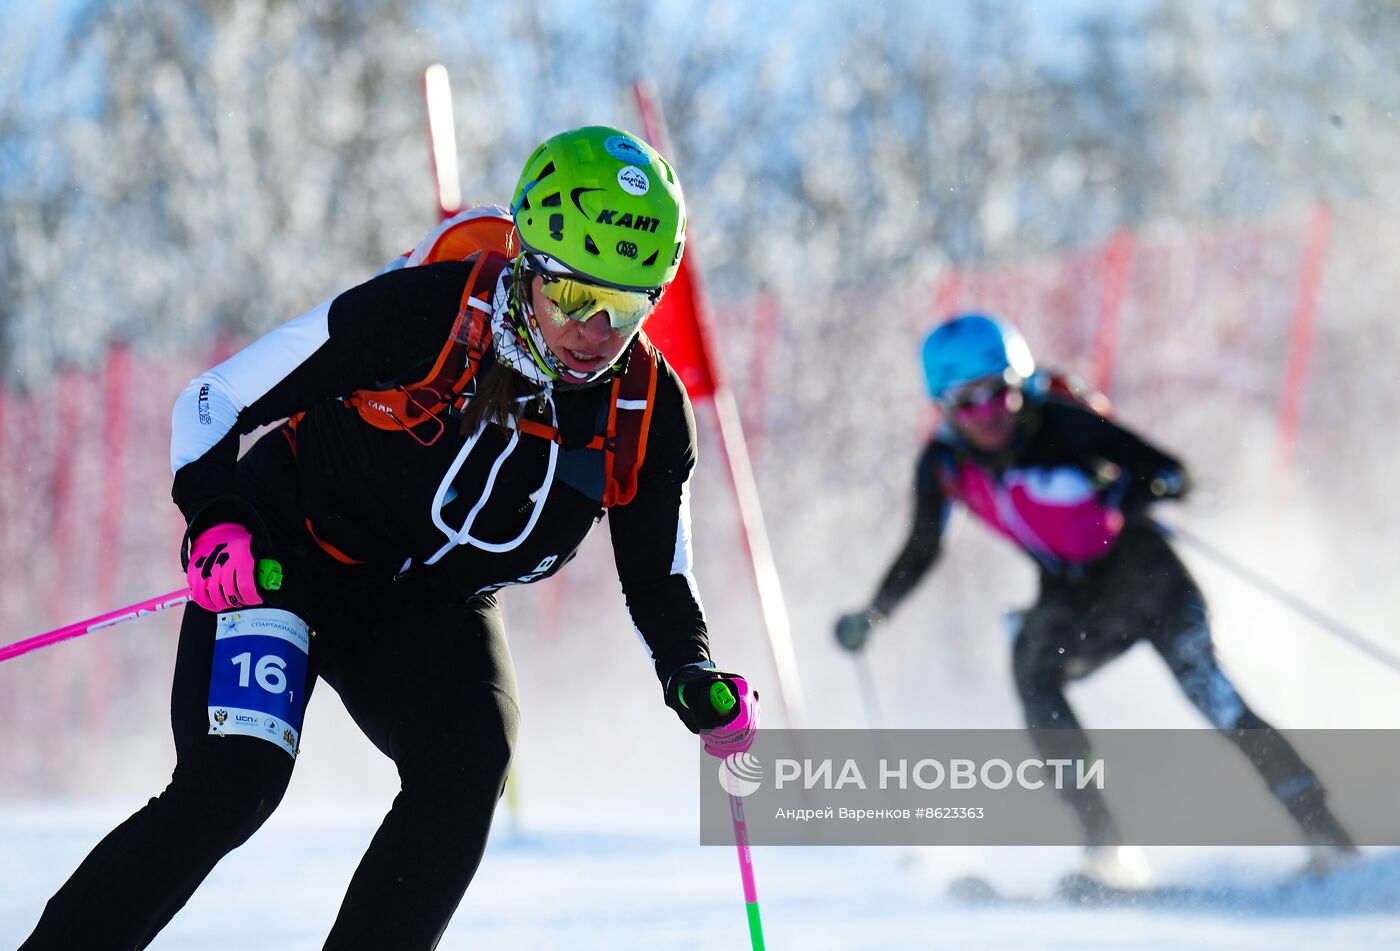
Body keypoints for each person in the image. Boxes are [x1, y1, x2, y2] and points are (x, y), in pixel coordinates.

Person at [22, 126, 756, 950]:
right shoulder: (426, 313)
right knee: (235, 783)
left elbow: (658, 576)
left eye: (626, 307)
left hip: (425, 607)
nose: (596, 332)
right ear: (529, 264)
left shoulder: (647, 413)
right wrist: (217, 518)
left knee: (471, 757)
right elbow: (213, 400)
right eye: (577, 298)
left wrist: (691, 668)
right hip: (288, 560)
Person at [833, 312, 1355, 886]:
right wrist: (876, 612)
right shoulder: (943, 464)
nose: (985, 415)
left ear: (1022, 385)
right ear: (943, 407)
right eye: (965, 403)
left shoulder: (1063, 424)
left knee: (1217, 700)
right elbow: (922, 546)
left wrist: (1134, 487)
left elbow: (1172, 474)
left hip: (1149, 582)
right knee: (1033, 672)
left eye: (996, 394)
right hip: (1076, 600)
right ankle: (1107, 848)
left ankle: (1327, 836)